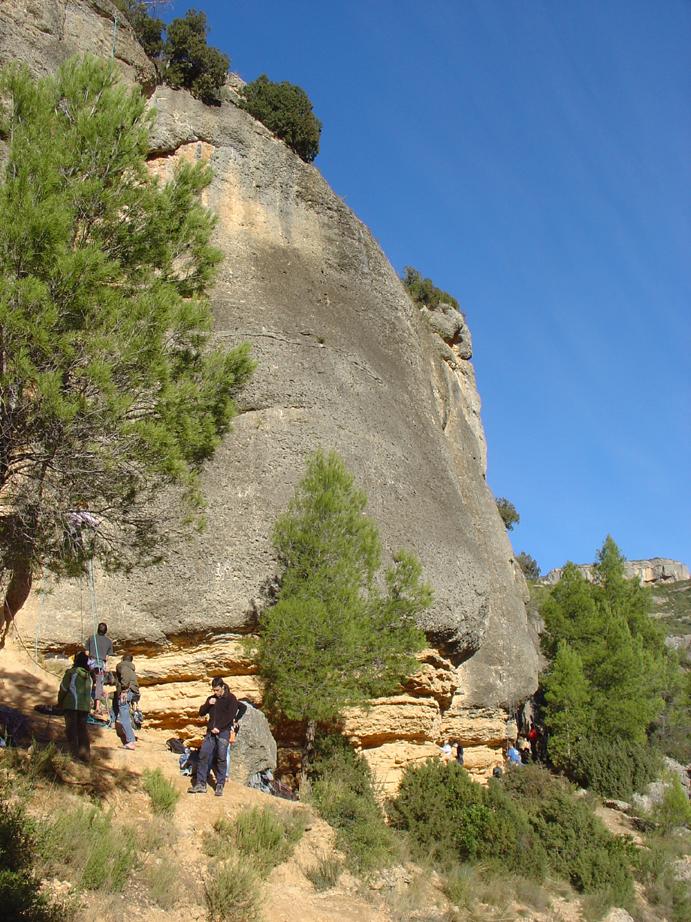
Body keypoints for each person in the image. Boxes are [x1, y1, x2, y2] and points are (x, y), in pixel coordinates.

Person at [189, 677, 239, 797]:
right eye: (213, 690)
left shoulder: (231, 699)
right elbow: (201, 713)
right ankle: (201, 784)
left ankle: (220, 784)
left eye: (217, 690)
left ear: (222, 687)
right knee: (203, 755)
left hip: (223, 732)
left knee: (221, 757)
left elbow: (230, 715)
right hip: (211, 732)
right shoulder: (211, 699)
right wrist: (208, 704)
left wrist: (220, 727)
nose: (215, 692)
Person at [57, 651, 92, 762]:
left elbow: (63, 688)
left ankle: (74, 756)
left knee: (71, 730)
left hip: (72, 705)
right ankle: (85, 756)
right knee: (82, 731)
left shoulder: (72, 672)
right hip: (84, 707)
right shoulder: (89, 676)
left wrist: (60, 702)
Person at [85, 622, 113, 718]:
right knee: (99, 685)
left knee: (90, 682)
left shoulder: (91, 638)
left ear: (97, 629)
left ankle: (86, 703)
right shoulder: (109, 641)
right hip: (100, 665)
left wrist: (93, 657)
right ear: (106, 631)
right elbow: (106, 657)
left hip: (91, 664)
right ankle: (97, 707)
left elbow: (86, 652)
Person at [115, 654, 139, 751]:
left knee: (123, 716)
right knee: (126, 713)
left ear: (123, 659)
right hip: (134, 692)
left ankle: (130, 741)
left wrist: (124, 690)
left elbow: (125, 676)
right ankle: (131, 737)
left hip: (127, 692)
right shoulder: (131, 668)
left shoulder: (123, 666)